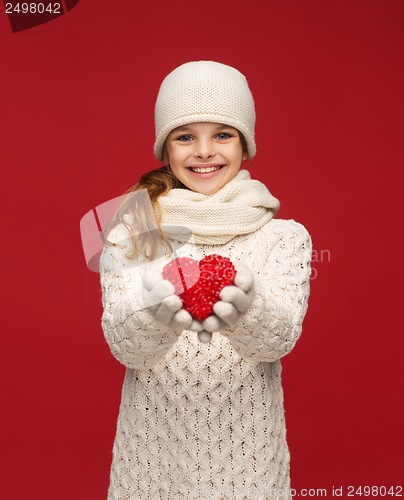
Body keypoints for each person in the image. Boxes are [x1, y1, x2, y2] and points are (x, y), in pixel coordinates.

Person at [99, 60, 312, 499]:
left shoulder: (283, 237)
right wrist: (153, 311)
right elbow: (126, 349)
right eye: (185, 137)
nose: (203, 151)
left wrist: (246, 306)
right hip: (152, 459)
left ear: (245, 144)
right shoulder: (135, 231)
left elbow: (276, 342)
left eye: (222, 134)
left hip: (249, 462)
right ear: (166, 149)